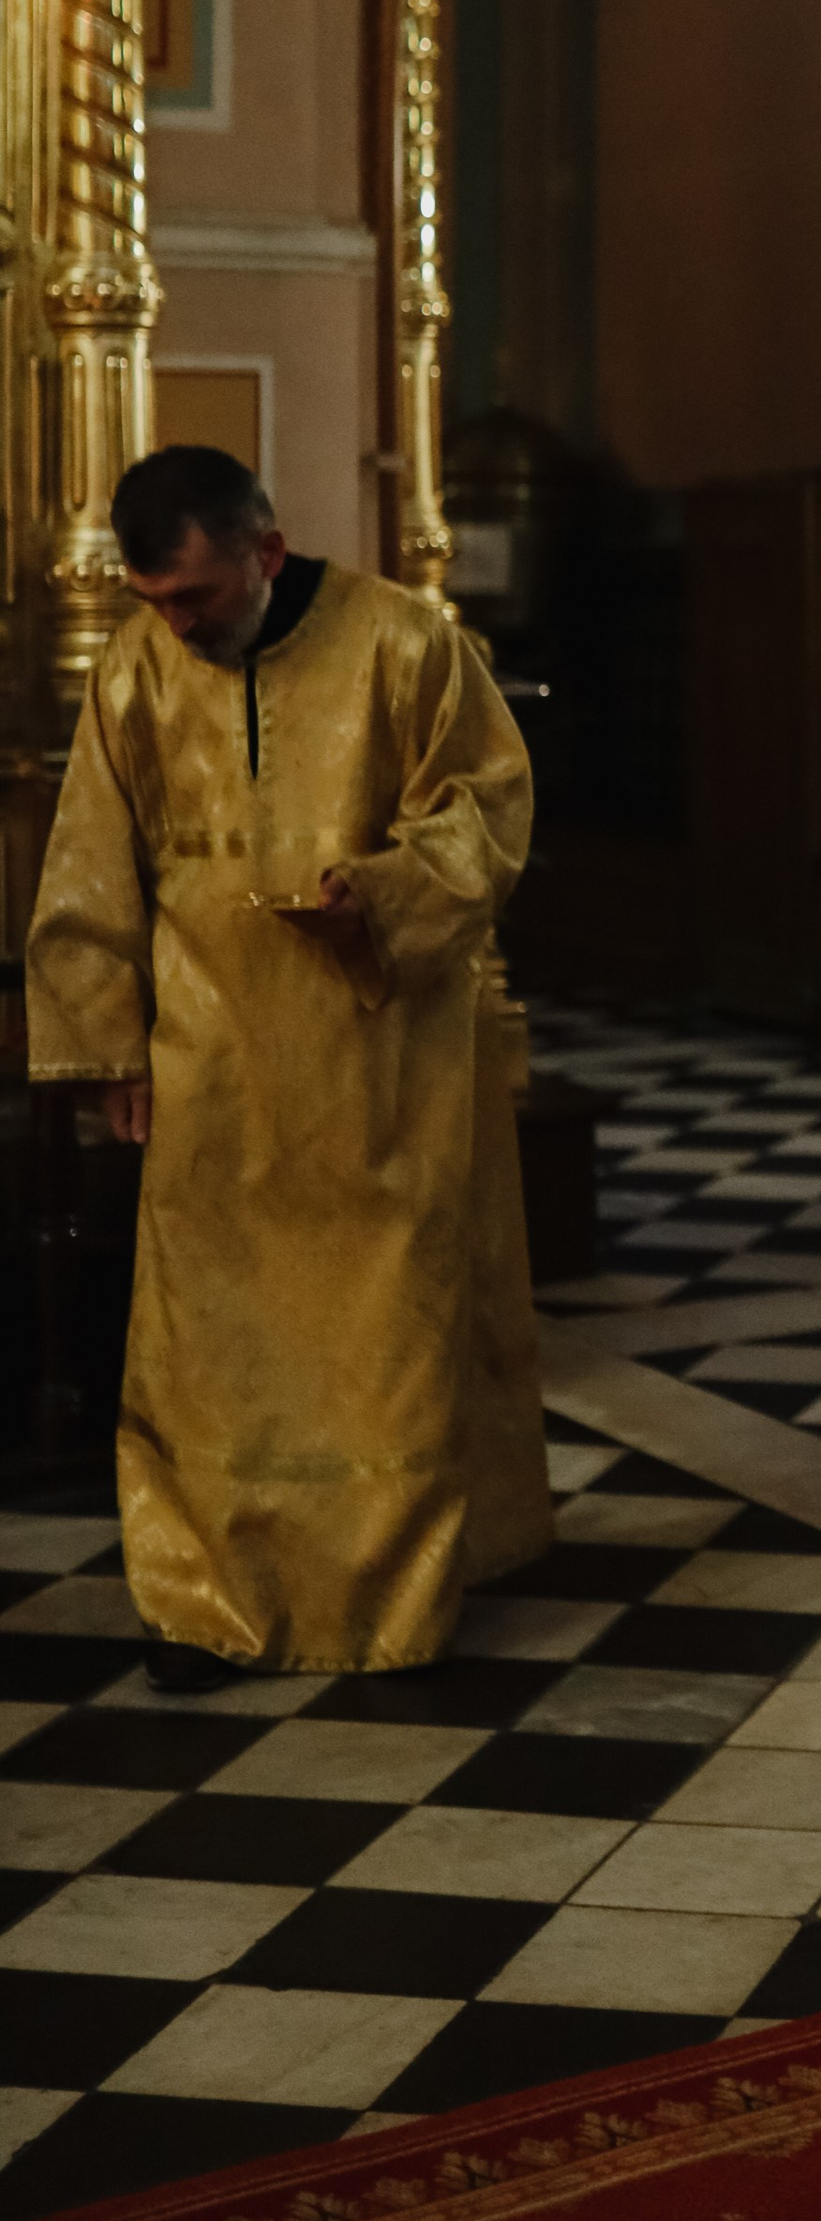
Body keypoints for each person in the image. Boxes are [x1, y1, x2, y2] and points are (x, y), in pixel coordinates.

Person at [25, 446, 549, 1687]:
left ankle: (392, 1605)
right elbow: (92, 861)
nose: (175, 624)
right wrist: (109, 1043)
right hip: (208, 1059)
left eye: (196, 596)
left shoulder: (406, 644)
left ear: (264, 552)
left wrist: (381, 890)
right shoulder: (136, 670)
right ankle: (213, 1602)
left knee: (383, 1344)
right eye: (153, 600)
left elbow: (488, 811)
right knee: (211, 1351)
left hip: (382, 1059)